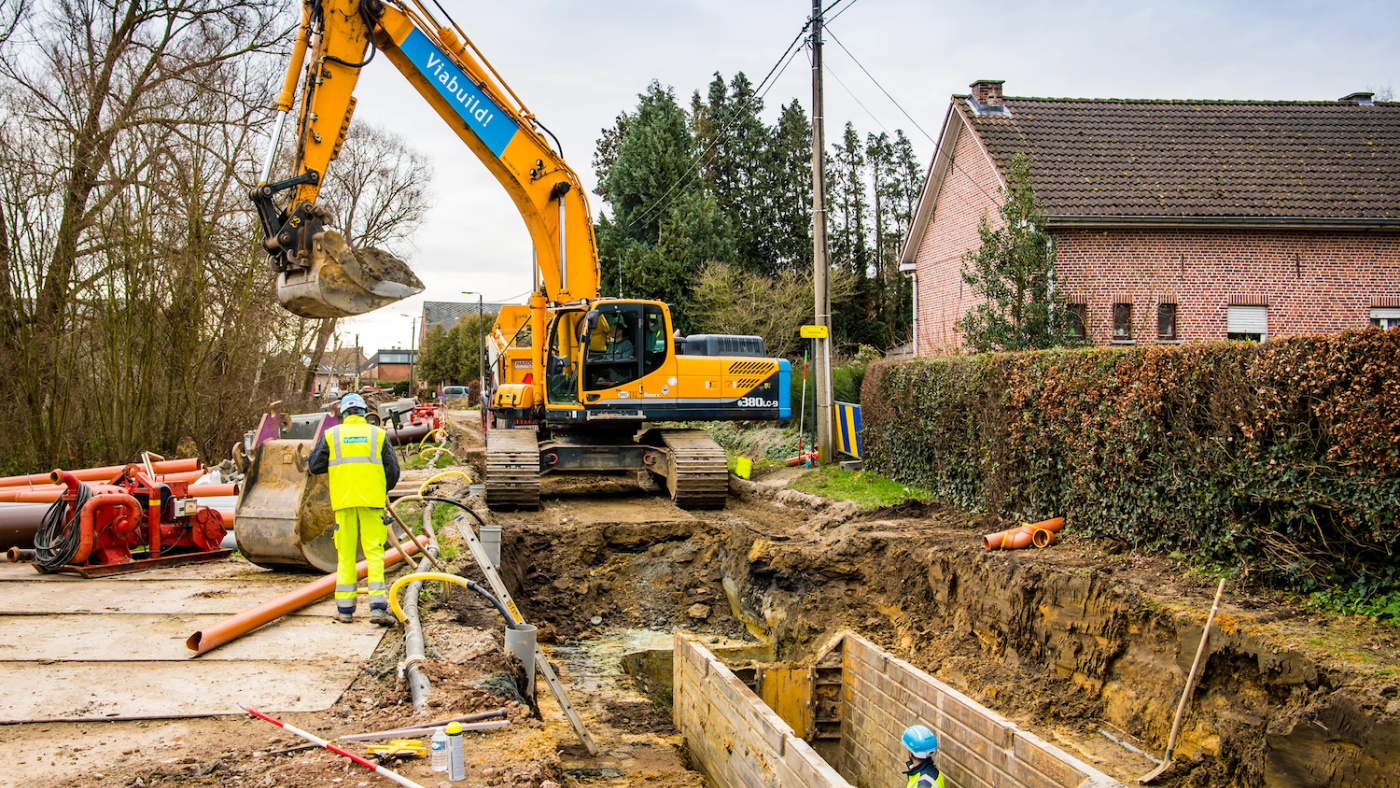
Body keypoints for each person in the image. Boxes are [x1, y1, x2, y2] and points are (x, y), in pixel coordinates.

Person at [308, 392, 401, 626]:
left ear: (343, 414)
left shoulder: (332, 435)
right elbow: (393, 471)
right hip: (372, 503)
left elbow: (315, 466)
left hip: (344, 503)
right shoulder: (377, 434)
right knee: (375, 554)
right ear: (363, 412)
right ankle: (378, 608)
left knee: (346, 556)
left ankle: (345, 610)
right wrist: (381, 489)